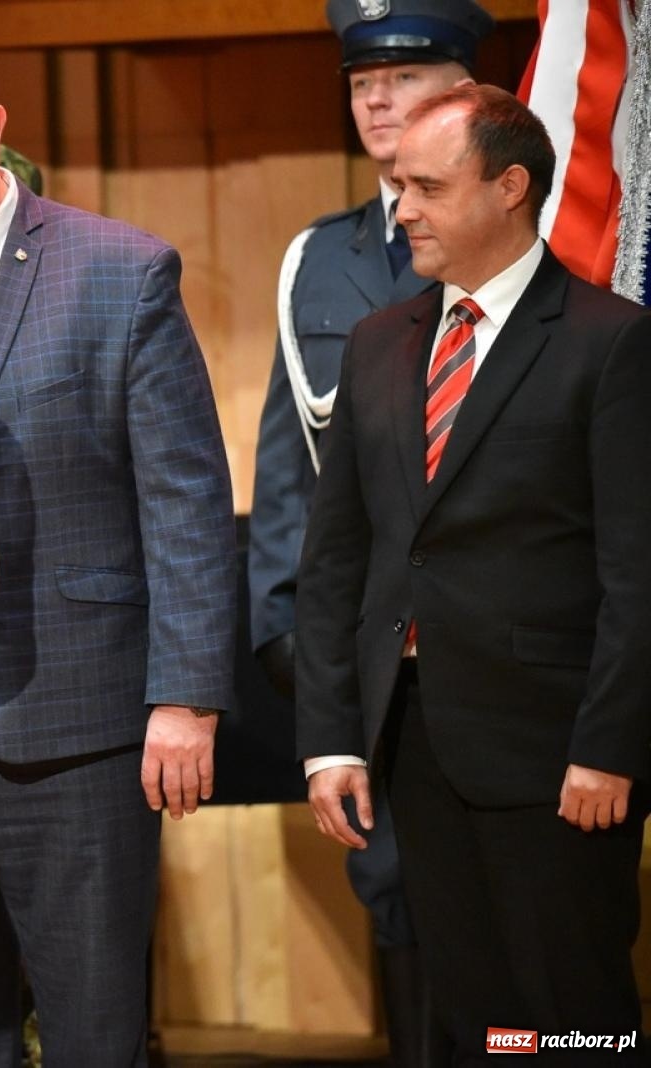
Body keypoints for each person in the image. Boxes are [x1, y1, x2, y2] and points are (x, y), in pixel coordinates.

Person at [0, 33, 238, 1066]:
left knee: (92, 1026)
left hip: (78, 717)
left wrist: (186, 697)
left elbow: (185, 500)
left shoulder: (118, 270)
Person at [297, 84, 651, 1060]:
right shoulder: (379, 343)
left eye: (427, 187)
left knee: (574, 1022)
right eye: (397, 186)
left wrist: (610, 747)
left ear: (509, 187)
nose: (402, 208)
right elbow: (337, 558)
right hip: (414, 745)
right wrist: (330, 741)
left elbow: (636, 574)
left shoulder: (608, 341)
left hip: (557, 757)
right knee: (472, 1023)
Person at [245, 3, 488, 1060]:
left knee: (524, 926)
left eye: (406, 76)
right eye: (360, 82)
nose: (378, 99)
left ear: (468, 88)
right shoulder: (319, 258)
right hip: (370, 661)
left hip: (503, 653)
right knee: (392, 895)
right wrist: (286, 636)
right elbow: (285, 466)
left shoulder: (539, 232)